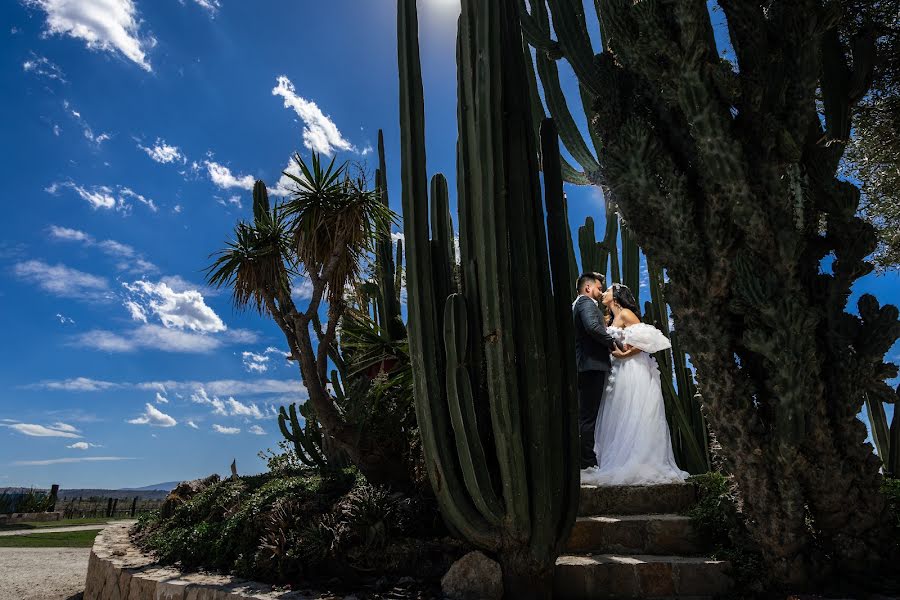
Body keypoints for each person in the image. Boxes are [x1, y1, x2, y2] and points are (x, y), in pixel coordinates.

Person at [581, 283, 690, 486]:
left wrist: (624, 354)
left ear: (616, 297)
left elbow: (644, 340)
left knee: (632, 411)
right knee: (617, 414)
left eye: (609, 290)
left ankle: (637, 460)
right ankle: (613, 459)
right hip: (616, 371)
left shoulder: (626, 314)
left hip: (631, 368)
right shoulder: (610, 319)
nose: (604, 292)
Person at [572, 272, 623, 469]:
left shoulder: (581, 303)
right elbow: (593, 327)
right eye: (599, 288)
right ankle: (587, 464)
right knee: (588, 417)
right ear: (588, 288)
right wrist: (612, 343)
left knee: (587, 415)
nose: (601, 293)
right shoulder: (585, 303)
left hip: (587, 365)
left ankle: (587, 461)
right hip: (590, 365)